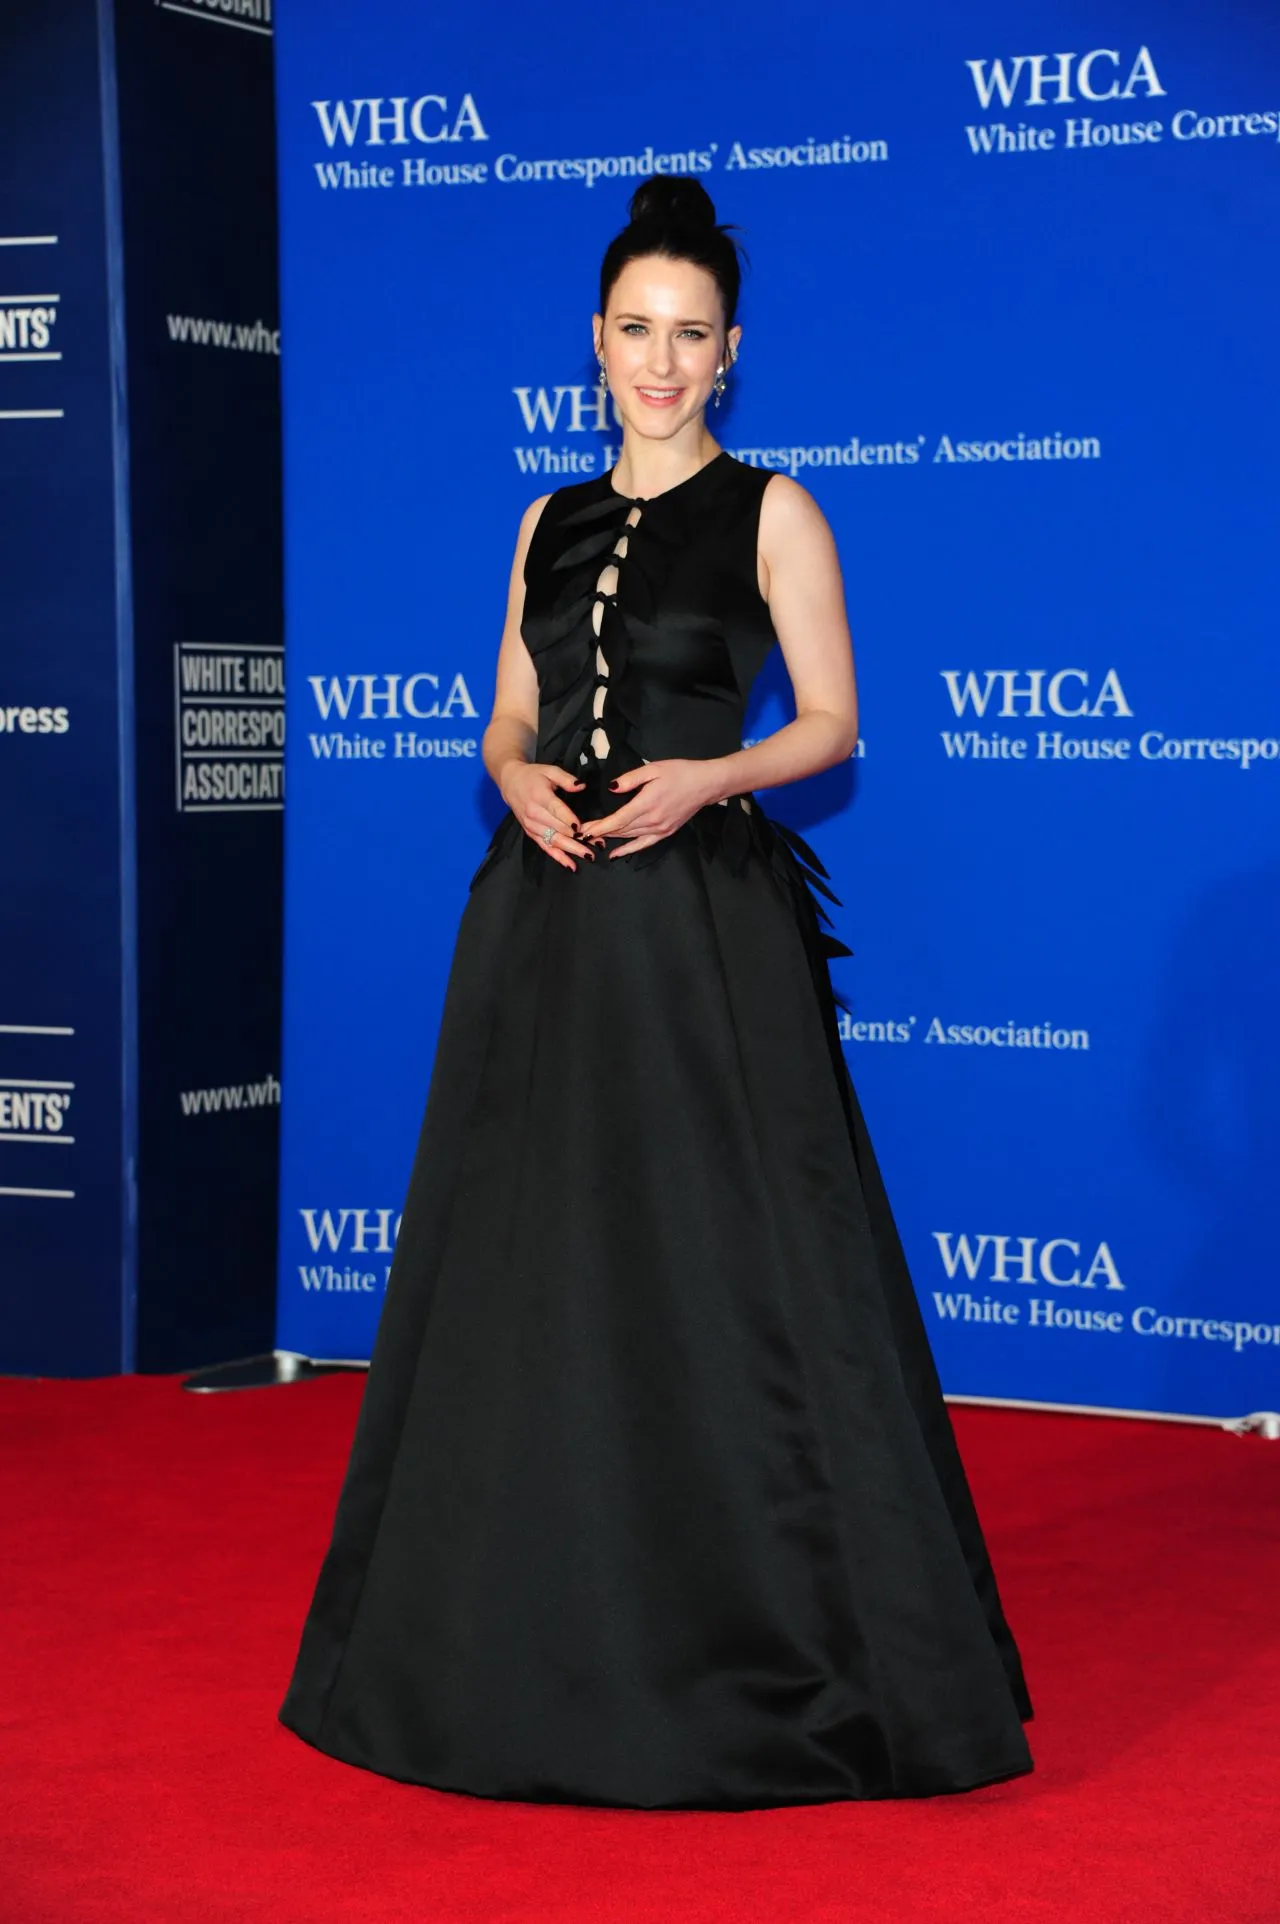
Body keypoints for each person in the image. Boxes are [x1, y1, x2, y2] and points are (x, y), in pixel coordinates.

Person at [279, 176, 1034, 1810]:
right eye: (638, 332)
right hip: (544, 927)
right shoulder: (543, 519)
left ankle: (775, 1635)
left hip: (701, 932)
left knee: (730, 1272)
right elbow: (508, 708)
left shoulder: (776, 511)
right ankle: (502, 1634)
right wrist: (514, 778)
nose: (663, 361)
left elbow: (831, 723)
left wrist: (711, 779)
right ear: (595, 342)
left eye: (693, 336)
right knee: (531, 1268)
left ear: (733, 352)